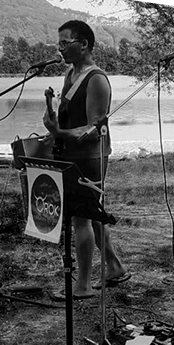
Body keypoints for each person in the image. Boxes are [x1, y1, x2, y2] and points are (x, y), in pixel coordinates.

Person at [44, 20, 129, 300]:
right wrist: (53, 127)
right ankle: (114, 266)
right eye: (59, 44)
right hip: (70, 153)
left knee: (81, 218)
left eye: (66, 43)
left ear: (84, 44)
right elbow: (70, 118)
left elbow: (93, 131)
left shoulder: (96, 79)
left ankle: (82, 285)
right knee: (92, 216)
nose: (61, 49)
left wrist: (60, 132)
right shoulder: (71, 74)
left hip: (90, 156)